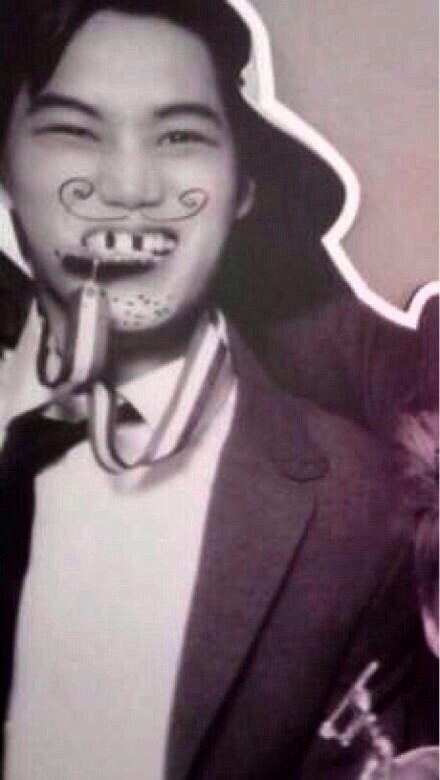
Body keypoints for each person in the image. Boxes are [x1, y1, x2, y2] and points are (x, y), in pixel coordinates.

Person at [0, 1, 433, 778]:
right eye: (73, 130)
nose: (129, 186)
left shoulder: (365, 517)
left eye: (180, 136)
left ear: (245, 184)